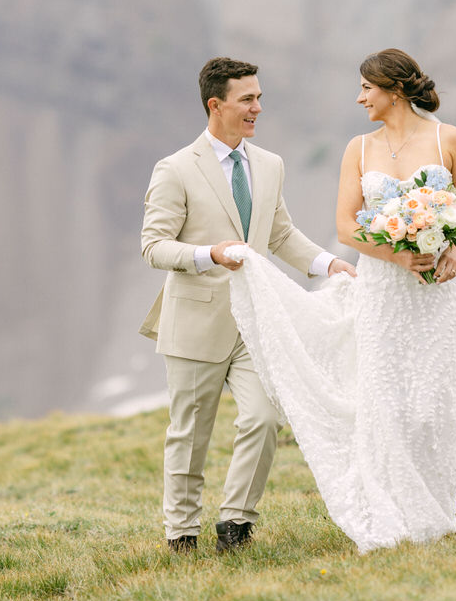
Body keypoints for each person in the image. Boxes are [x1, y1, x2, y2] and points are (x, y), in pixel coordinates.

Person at [225, 48, 456, 552]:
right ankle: (389, 507)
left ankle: (435, 509)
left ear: (393, 90)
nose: (360, 98)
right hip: (382, 289)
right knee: (386, 399)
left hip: (439, 289)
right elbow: (346, 226)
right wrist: (396, 257)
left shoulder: (448, 138)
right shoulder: (358, 148)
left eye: (367, 89)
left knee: (432, 402)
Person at [140, 57, 355, 553]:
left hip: (256, 320)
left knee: (263, 417)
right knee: (190, 433)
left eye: (259, 97)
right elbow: (154, 246)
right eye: (248, 99)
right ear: (216, 105)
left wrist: (328, 265)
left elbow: (279, 233)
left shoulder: (269, 164)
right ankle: (181, 534)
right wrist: (207, 254)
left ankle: (236, 523)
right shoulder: (175, 169)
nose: (258, 107)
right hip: (195, 320)